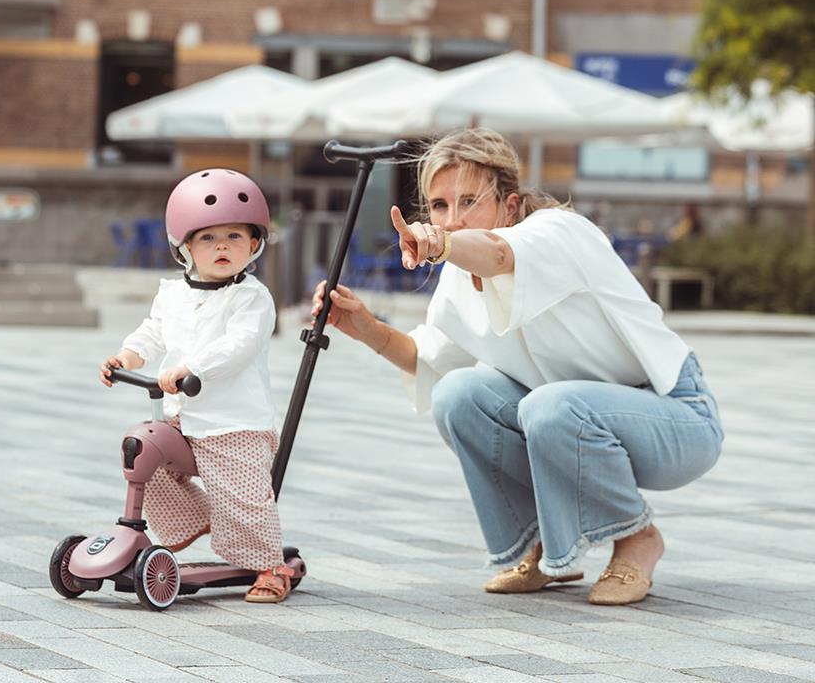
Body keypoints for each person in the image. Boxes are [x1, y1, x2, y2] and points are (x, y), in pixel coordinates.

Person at [312, 129, 723, 605]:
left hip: (675, 417)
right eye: (439, 206)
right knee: (459, 395)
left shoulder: (557, 232)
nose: (451, 218)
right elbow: (429, 359)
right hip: (573, 419)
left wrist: (443, 243)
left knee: (550, 404)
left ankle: (637, 538)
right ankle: (541, 543)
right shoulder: (458, 277)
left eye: (469, 200)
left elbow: (501, 254)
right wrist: (365, 326)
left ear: (509, 205)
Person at [100, 169, 295, 604]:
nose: (222, 246)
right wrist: (127, 357)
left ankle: (270, 566)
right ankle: (202, 519)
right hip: (181, 417)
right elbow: (152, 332)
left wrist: (193, 367)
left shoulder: (251, 297)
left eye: (234, 236)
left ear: (255, 244)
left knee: (246, 498)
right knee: (143, 456)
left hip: (234, 423)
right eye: (207, 238)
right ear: (184, 246)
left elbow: (239, 346)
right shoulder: (171, 293)